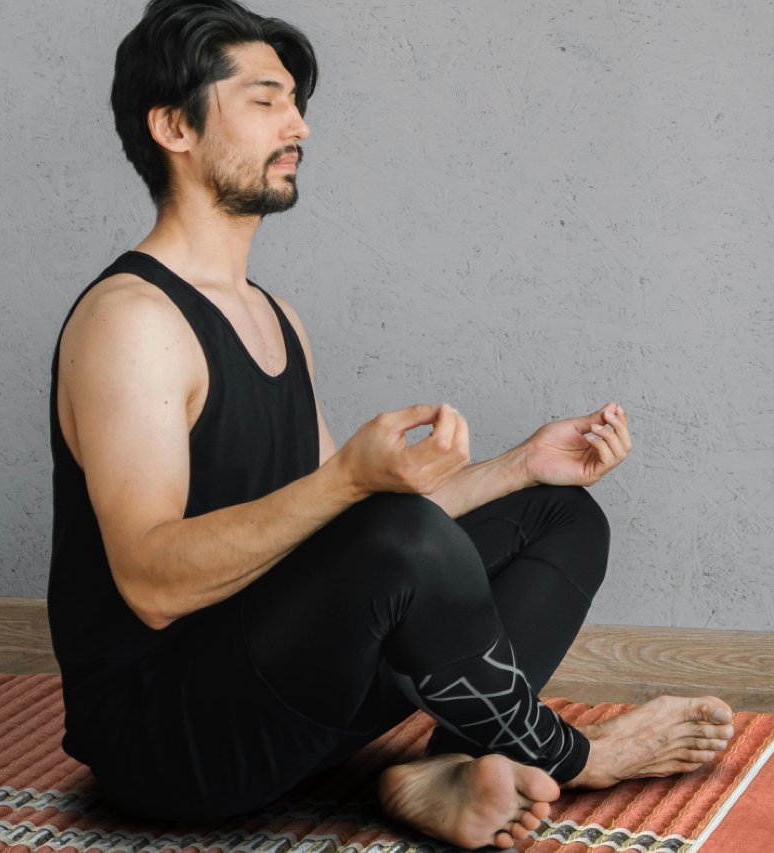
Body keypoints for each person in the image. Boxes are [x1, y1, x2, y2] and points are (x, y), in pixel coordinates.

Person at [46, 1, 735, 848]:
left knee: (560, 514)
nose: (297, 124)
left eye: (297, 103)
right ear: (171, 126)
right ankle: (567, 753)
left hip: (287, 702)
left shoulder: (273, 316)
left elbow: (352, 547)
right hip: (173, 744)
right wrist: (347, 480)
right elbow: (152, 587)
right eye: (265, 100)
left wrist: (523, 467)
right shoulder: (131, 321)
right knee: (400, 533)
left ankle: (445, 766)